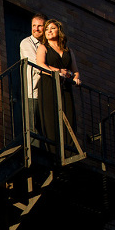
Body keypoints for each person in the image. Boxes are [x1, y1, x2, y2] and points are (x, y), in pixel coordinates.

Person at [36, 19, 81, 151]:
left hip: (65, 86)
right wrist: (58, 71)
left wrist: (76, 78)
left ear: (59, 30)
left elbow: (76, 71)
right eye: (47, 29)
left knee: (68, 114)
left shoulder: (68, 50)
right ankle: (53, 150)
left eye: (52, 28)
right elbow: (40, 64)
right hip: (48, 83)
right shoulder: (43, 47)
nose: (49, 31)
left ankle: (68, 150)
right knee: (51, 116)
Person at [19, 13, 46, 138]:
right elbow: (37, 65)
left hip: (46, 91)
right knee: (33, 128)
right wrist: (57, 72)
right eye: (34, 25)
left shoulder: (47, 45)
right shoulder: (26, 43)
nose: (36, 29)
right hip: (33, 91)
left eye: (39, 26)